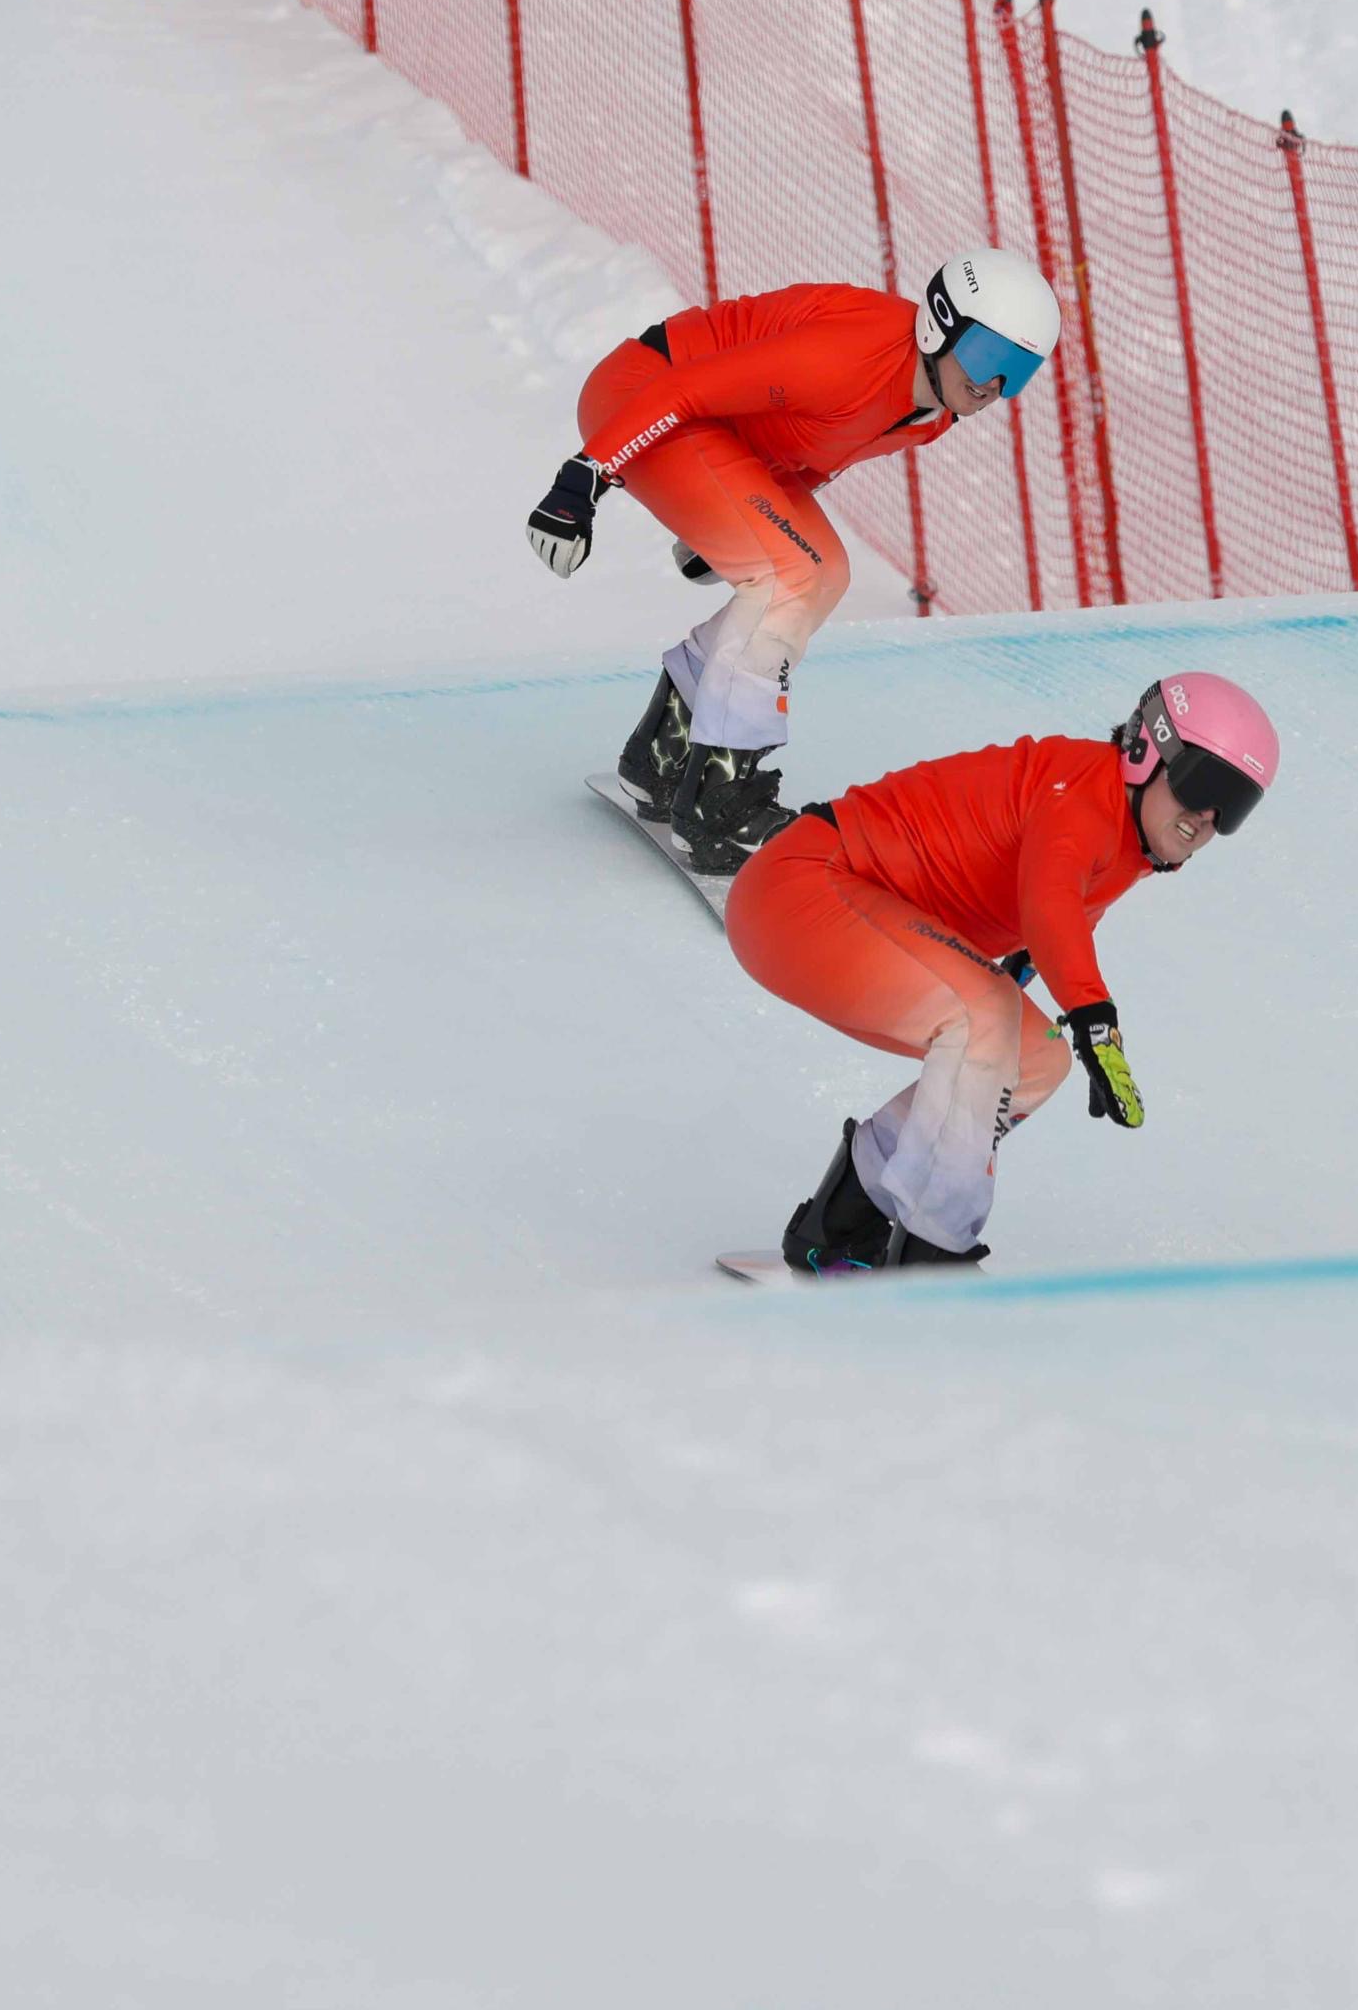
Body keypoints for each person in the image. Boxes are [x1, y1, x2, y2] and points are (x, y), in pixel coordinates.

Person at [526, 250, 1064, 875]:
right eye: (987, 356)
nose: (992, 385)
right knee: (788, 576)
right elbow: (683, 389)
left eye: (1016, 372)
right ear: (938, 325)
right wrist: (584, 478)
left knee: (826, 572)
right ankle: (718, 805)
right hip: (643, 397)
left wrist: (735, 520)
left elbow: (811, 453)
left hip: (716, 431)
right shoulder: (849, 356)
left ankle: (662, 754)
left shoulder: (932, 413)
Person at [724, 672, 1277, 1275]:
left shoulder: (1129, 837)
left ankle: (839, 1225)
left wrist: (1032, 968)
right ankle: (933, 1257)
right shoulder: (1081, 791)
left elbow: (1057, 910)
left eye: (1233, 806)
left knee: (1034, 1057)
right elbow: (1050, 900)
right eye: (1203, 783)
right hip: (803, 887)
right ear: (1147, 750)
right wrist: (1094, 1019)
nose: (1207, 815)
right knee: (985, 1013)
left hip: (852, 907)